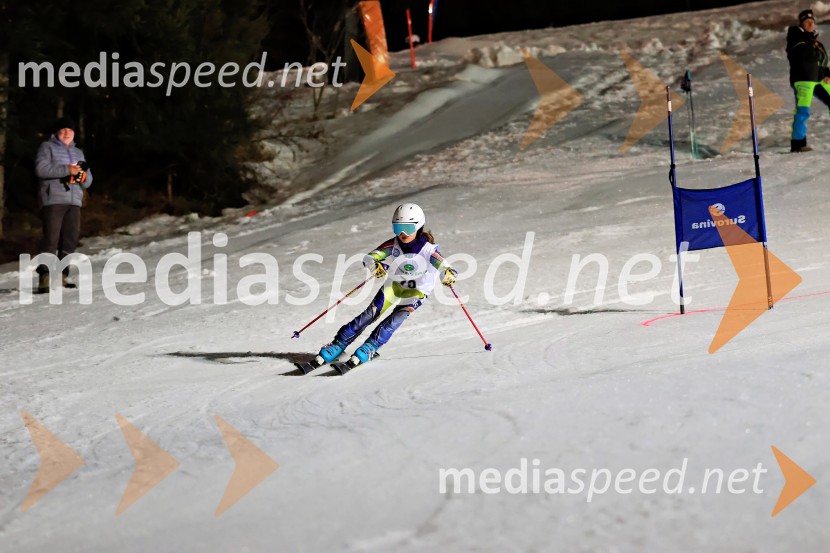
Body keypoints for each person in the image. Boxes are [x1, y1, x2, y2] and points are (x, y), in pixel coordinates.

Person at [316, 203, 457, 366]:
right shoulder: (393, 244)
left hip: (416, 292)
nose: (402, 234)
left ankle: (370, 346)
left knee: (394, 320)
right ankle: (338, 344)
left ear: (418, 227)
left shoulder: (428, 250)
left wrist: (448, 274)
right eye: (398, 228)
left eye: (408, 228)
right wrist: (375, 265)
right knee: (370, 314)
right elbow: (370, 257)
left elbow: (446, 267)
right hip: (394, 286)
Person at [34, 117, 93, 292]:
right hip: (53, 199)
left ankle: (61, 276)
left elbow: (88, 180)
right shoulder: (47, 147)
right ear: (57, 133)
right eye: (63, 130)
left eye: (70, 130)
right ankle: (45, 277)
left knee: (70, 239)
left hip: (74, 201)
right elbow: (41, 169)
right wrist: (66, 169)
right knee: (51, 239)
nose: (67, 133)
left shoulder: (79, 153)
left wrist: (83, 177)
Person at [787, 9, 830, 152]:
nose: (810, 24)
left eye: (812, 22)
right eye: (807, 22)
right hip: (804, 79)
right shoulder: (796, 38)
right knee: (803, 111)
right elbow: (806, 56)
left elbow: (823, 63)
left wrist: (827, 74)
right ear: (801, 24)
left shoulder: (815, 43)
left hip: (818, 79)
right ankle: (798, 144)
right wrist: (812, 46)